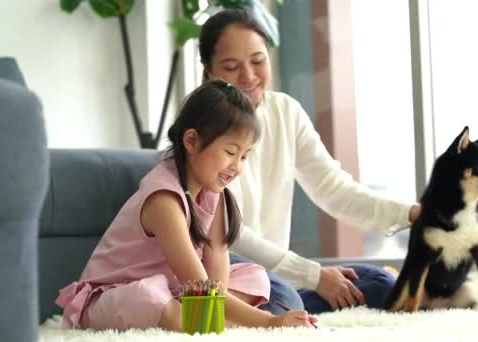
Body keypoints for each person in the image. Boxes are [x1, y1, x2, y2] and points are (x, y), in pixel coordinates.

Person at [198, 9, 421, 315]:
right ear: (209, 72)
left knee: (382, 284)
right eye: (231, 66)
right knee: (283, 298)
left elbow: (334, 189)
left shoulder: (286, 112)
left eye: (258, 61)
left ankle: (288, 306)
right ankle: (277, 310)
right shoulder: (199, 130)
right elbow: (230, 234)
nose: (248, 76)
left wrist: (409, 214)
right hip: (227, 272)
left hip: (280, 275)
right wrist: (313, 276)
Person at [55, 80, 316, 331]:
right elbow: (199, 284)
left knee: (255, 276)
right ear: (191, 141)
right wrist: (269, 322)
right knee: (149, 296)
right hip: (112, 297)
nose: (237, 167)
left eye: (244, 156)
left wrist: (211, 310)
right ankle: (197, 322)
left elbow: (216, 280)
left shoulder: (216, 193)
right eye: (230, 152)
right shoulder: (164, 200)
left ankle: (196, 323)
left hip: (178, 292)